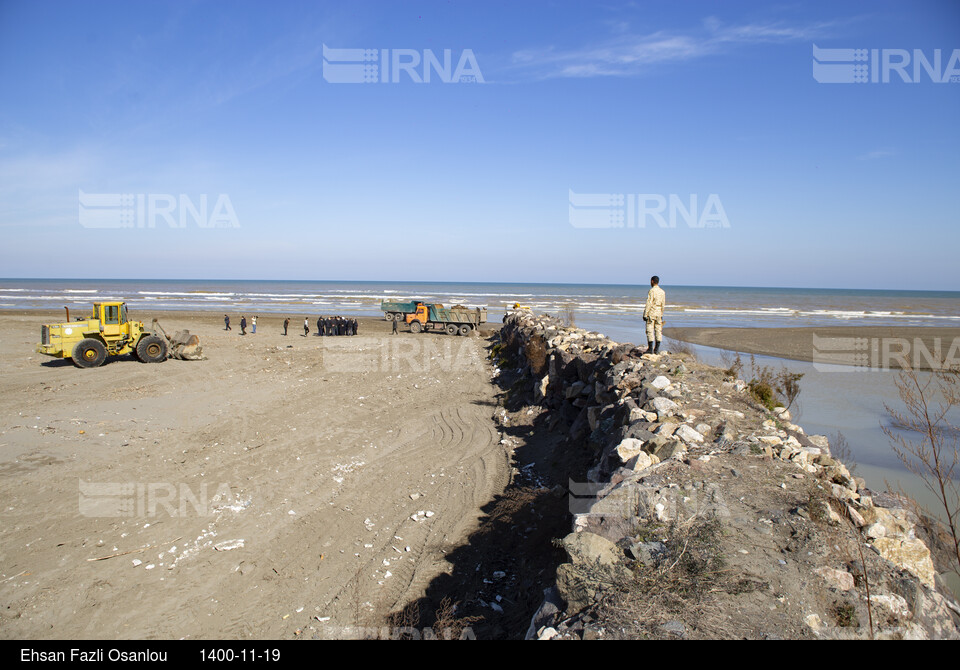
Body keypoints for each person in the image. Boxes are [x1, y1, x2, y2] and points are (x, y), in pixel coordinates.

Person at [643, 275, 666, 354]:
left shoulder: (652, 291)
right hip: (659, 312)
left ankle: (650, 349)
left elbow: (649, 303)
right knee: (658, 330)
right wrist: (661, 314)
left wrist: (645, 314)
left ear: (652, 281)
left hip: (652, 312)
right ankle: (656, 349)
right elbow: (663, 304)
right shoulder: (662, 292)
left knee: (649, 330)